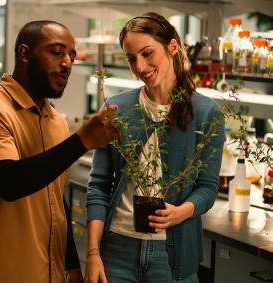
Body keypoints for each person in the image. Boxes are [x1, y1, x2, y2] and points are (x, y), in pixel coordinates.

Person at [0, 20, 119, 283]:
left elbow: (56, 200)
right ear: (24, 53)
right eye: (56, 52)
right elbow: (10, 182)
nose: (67, 62)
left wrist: (72, 265)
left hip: (49, 272)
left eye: (72, 56)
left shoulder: (56, 120)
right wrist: (82, 141)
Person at [84, 12, 225, 283]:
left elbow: (208, 187)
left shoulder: (207, 114)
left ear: (172, 46)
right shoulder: (116, 109)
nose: (140, 66)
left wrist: (179, 213)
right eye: (131, 58)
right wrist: (92, 253)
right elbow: (99, 185)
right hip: (117, 251)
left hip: (173, 256)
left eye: (148, 53)